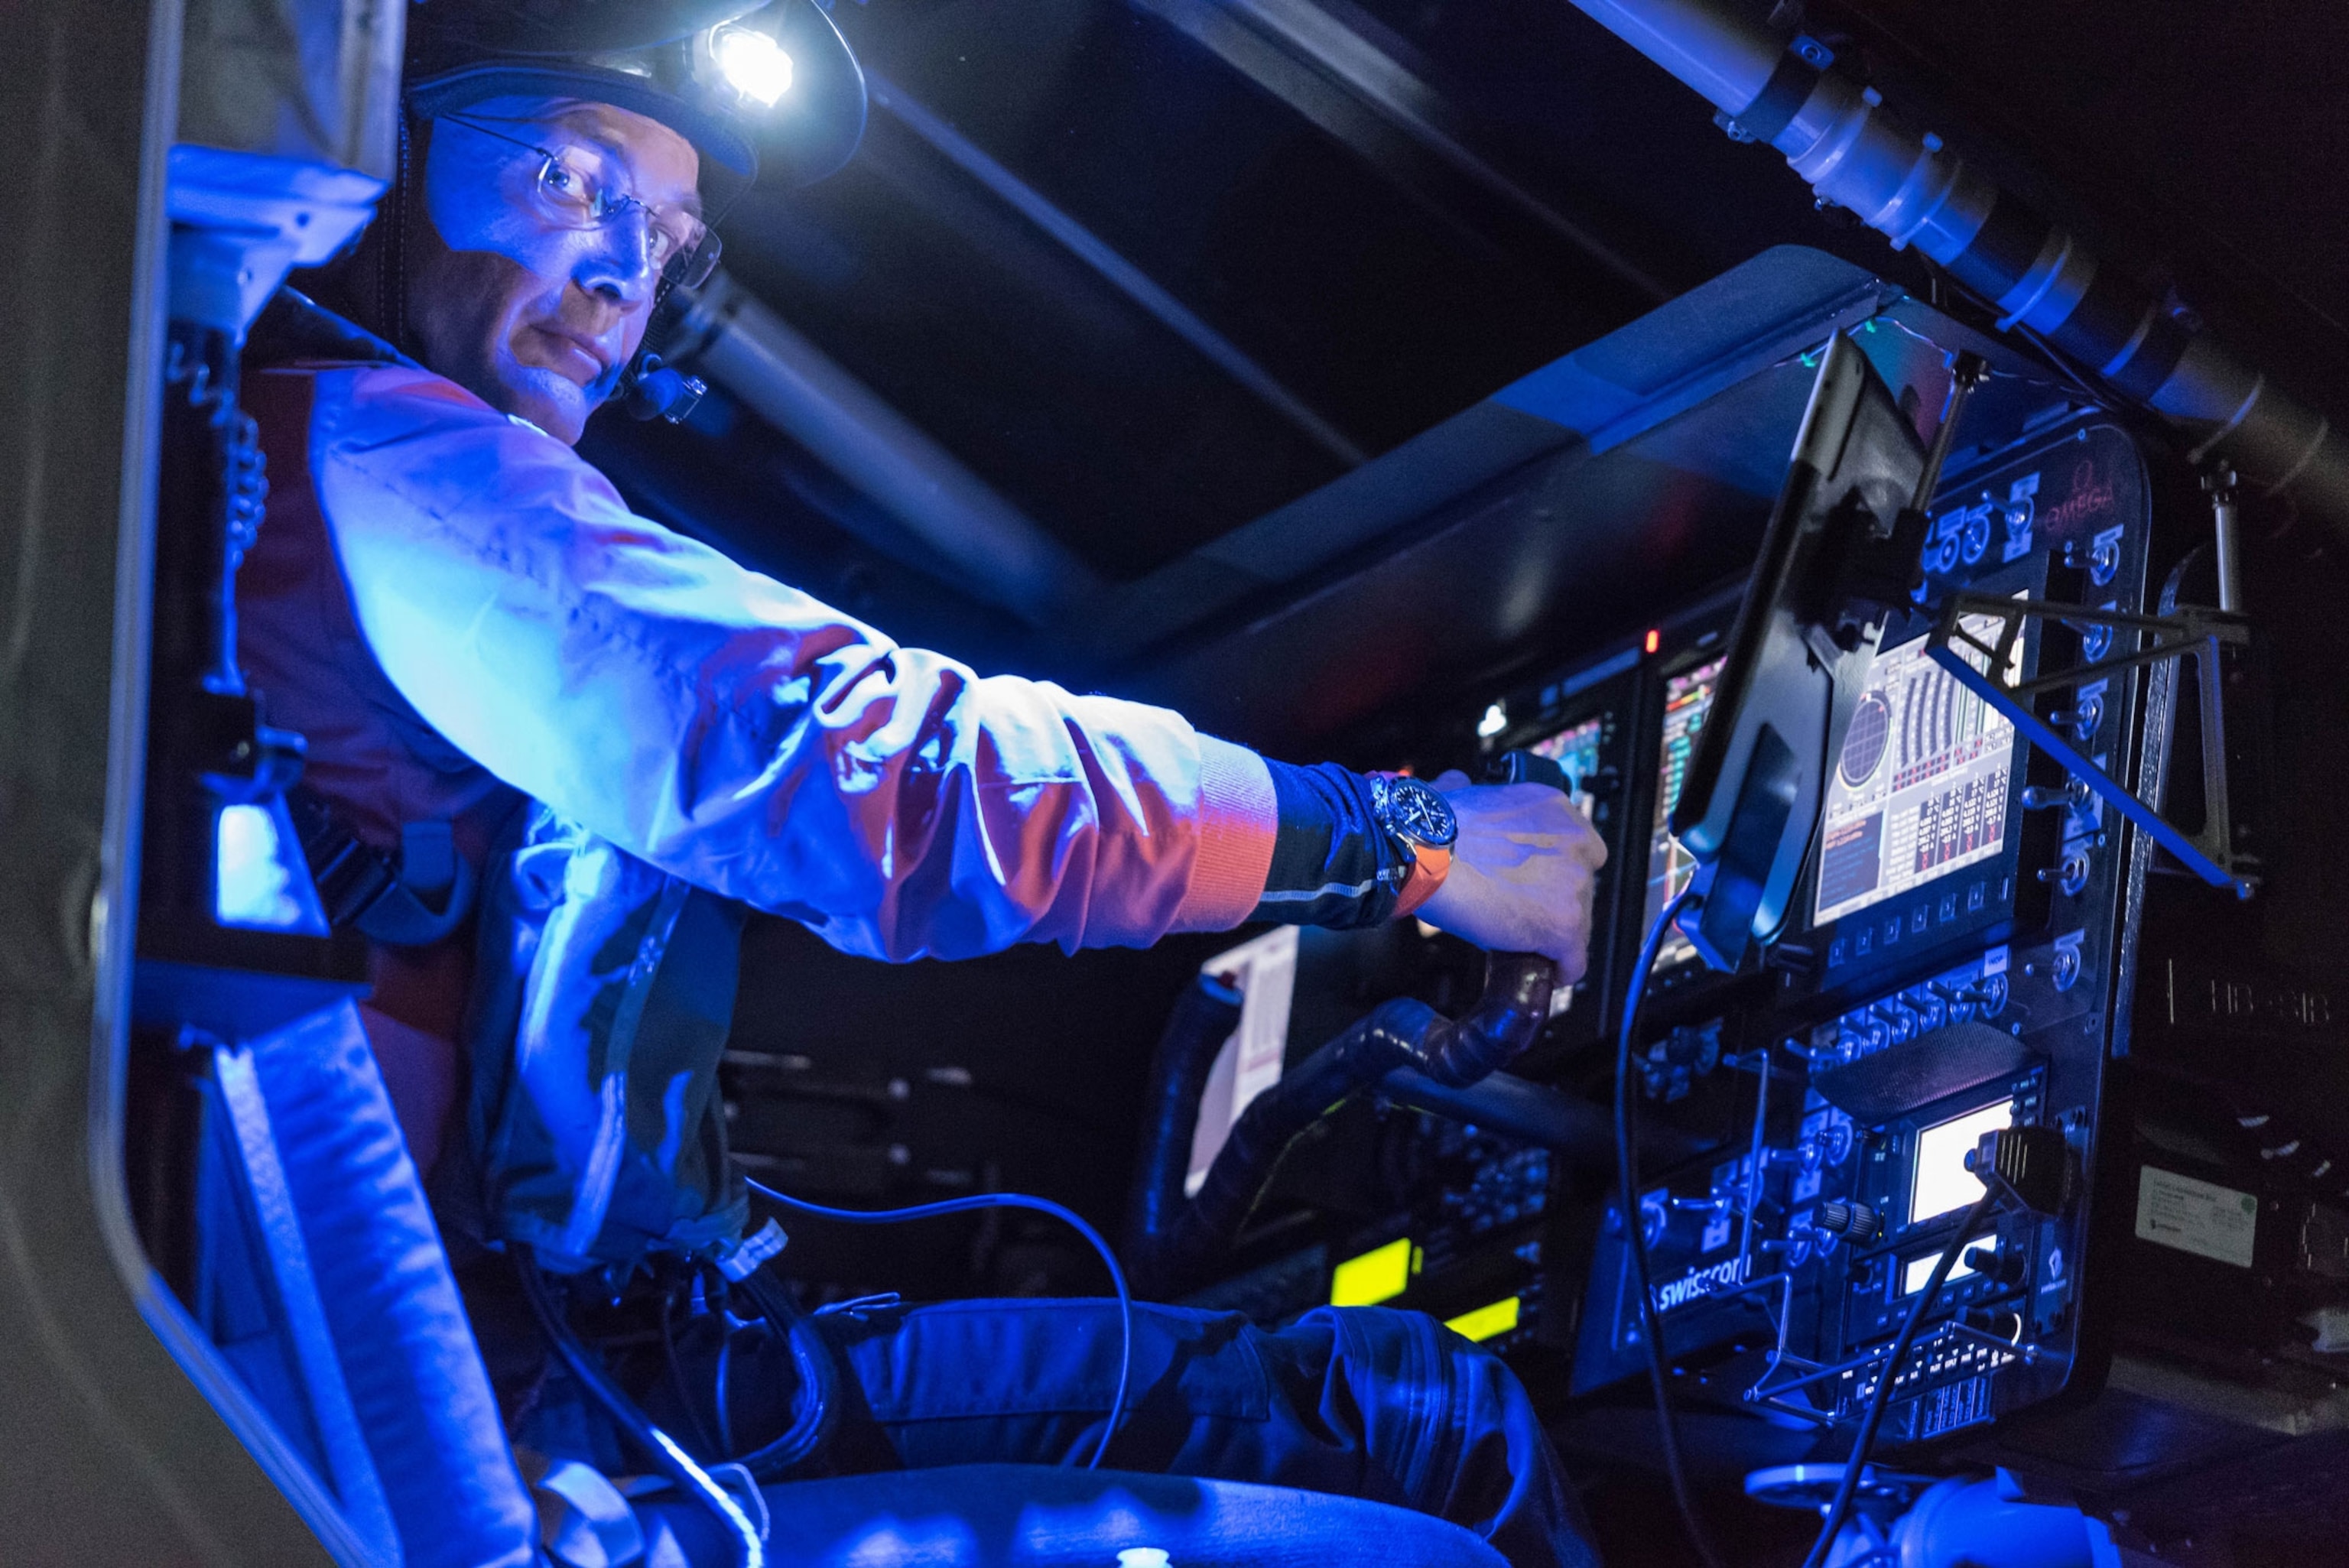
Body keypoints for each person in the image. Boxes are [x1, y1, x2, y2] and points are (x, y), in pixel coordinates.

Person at [237, 3, 1607, 1563]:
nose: (623, 276)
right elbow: (876, 778)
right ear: (379, 163)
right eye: (564, 176)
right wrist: (1407, 844)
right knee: (1421, 1436)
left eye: (669, 237)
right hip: (528, 1436)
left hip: (575, 1390)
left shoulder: (301, 471)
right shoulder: (369, 461)